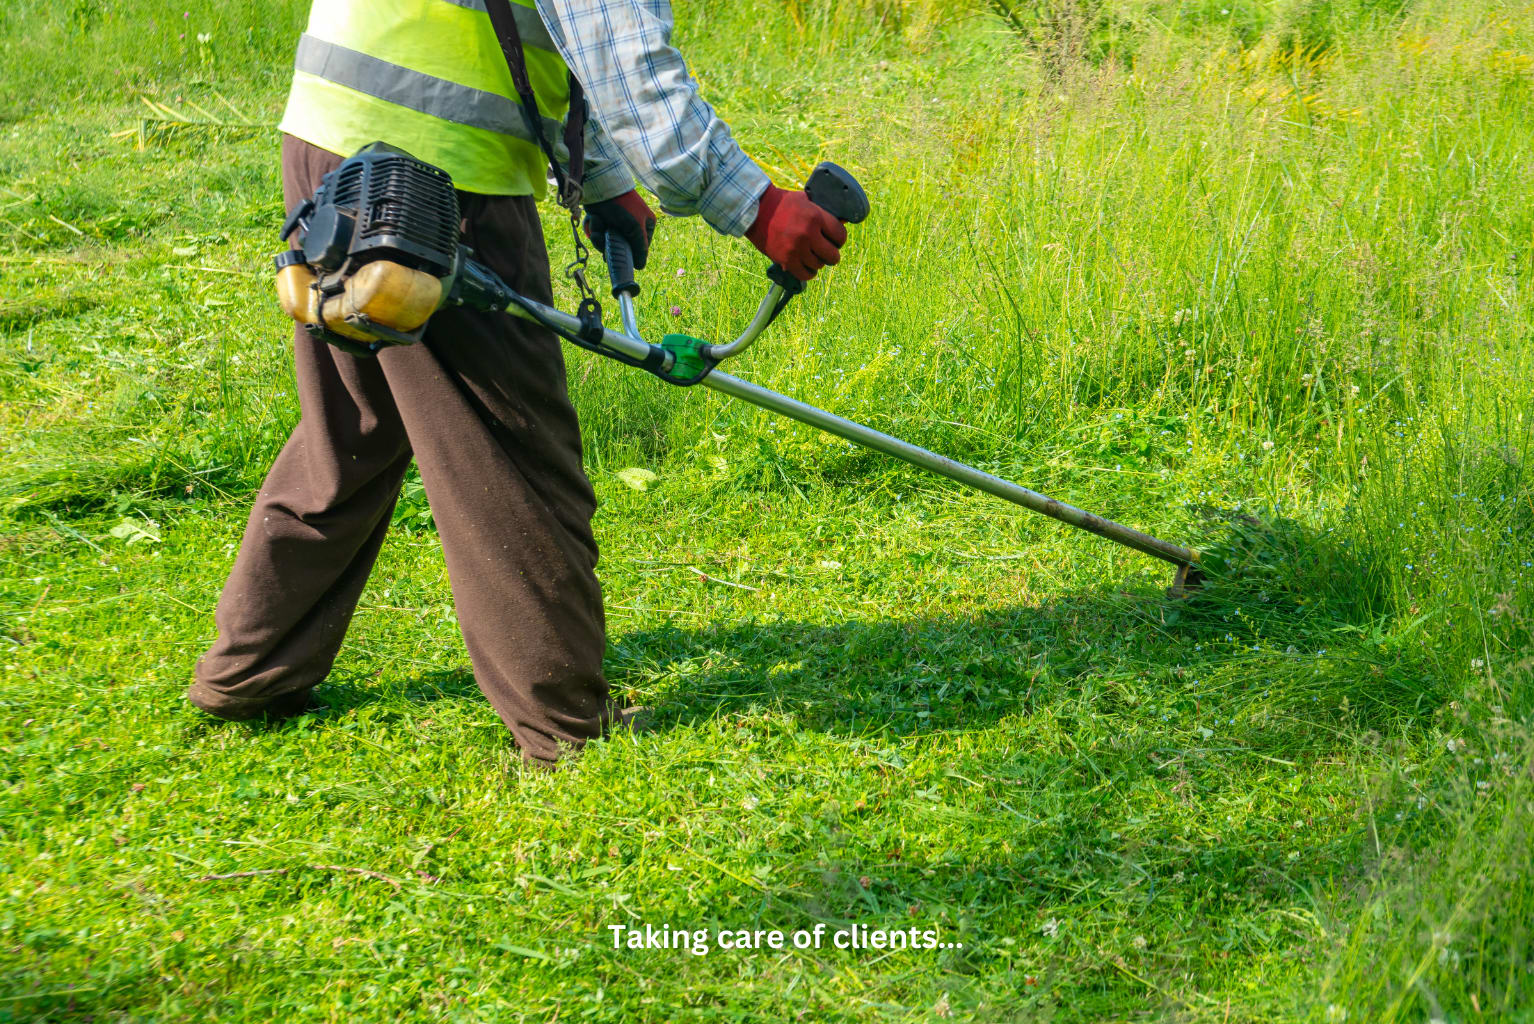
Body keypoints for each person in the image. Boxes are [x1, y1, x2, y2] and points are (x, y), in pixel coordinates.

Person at [186, 0, 850, 765]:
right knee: (512, 449)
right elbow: (626, 64)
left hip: (328, 139)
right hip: (437, 178)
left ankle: (251, 669)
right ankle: (564, 724)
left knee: (354, 424)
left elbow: (555, 33)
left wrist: (597, 180)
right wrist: (759, 206)